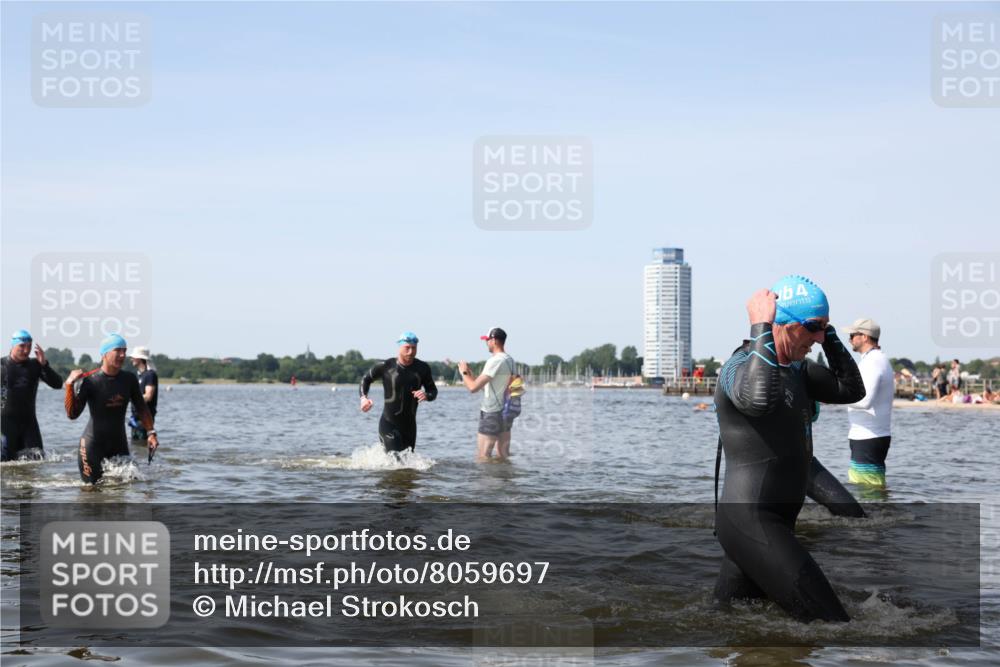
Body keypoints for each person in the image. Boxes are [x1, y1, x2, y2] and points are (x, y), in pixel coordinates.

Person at [714, 275, 865, 623]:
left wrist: (828, 336)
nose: (816, 339)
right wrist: (760, 325)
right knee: (835, 627)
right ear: (780, 324)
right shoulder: (738, 367)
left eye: (823, 329)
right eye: (811, 327)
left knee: (730, 623)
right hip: (751, 521)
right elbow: (758, 400)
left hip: (775, 522)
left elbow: (851, 389)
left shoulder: (799, 370)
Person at [65, 334, 158, 484]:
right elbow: (72, 414)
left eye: (124, 351)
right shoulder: (90, 381)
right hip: (92, 447)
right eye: (118, 350)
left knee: (128, 487)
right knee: (92, 493)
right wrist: (69, 385)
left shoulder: (129, 379)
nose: (122, 355)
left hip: (119, 444)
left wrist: (151, 433)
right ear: (104, 354)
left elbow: (142, 408)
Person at [359, 331, 437, 454]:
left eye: (414, 348)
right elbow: (366, 379)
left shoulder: (423, 368)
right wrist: (363, 398)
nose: (411, 352)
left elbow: (433, 391)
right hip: (388, 424)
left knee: (407, 465)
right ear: (399, 347)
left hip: (410, 428)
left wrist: (426, 395)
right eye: (407, 348)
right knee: (396, 460)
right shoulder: (386, 366)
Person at [844, 319, 894, 488]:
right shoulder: (874, 359)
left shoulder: (873, 361)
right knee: (868, 487)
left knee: (867, 489)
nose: (849, 339)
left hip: (869, 436)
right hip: (867, 435)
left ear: (864, 337)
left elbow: (865, 400)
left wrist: (833, 399)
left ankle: (876, 514)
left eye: (852, 335)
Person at [1, 329, 63, 461]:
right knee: (5, 466)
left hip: (29, 425)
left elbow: (58, 384)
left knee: (37, 462)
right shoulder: (2, 365)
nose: (26, 350)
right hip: (5, 425)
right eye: (22, 346)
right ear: (13, 345)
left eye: (29, 346)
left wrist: (44, 365)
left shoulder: (35, 365)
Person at [458, 327, 515, 462]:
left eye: (487, 340)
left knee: (483, 456)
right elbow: (492, 387)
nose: (486, 343)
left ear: (494, 340)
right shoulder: (510, 360)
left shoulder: (494, 361)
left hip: (491, 412)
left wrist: (463, 372)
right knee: (503, 456)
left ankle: (486, 483)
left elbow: (472, 388)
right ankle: (505, 482)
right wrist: (472, 376)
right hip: (506, 412)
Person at [128, 346, 159, 440]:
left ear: (140, 359)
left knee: (142, 446)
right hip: (135, 419)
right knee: (136, 447)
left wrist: (130, 398)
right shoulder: (139, 375)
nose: (131, 359)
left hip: (145, 419)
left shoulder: (150, 375)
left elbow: (148, 396)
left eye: (134, 357)